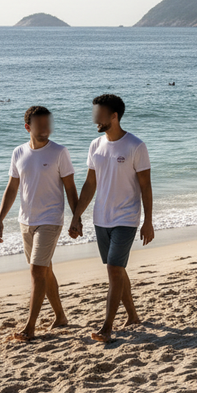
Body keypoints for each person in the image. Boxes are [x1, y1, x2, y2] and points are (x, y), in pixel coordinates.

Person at [69, 94, 154, 343]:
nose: (95, 119)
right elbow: (90, 184)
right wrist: (76, 216)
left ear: (114, 116)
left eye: (100, 114)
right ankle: (133, 315)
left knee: (114, 269)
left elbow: (146, 186)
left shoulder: (135, 146)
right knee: (117, 269)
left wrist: (148, 221)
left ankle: (107, 326)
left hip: (126, 218)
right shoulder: (95, 146)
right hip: (100, 218)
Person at [0, 106, 77, 342]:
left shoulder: (59, 152)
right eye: (40, 125)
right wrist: (0, 219)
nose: (45, 129)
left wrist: (76, 217)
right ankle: (60, 316)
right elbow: (12, 188)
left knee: (36, 271)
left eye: (47, 124)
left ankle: (30, 326)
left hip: (50, 220)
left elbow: (70, 187)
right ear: (28, 127)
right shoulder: (18, 152)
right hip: (26, 221)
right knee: (45, 270)